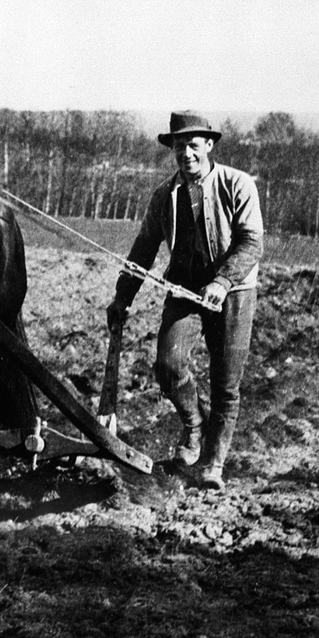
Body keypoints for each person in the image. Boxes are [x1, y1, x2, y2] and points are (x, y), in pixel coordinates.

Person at [106, 111, 263, 490]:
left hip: (234, 294)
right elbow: (143, 248)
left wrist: (223, 282)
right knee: (168, 365)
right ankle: (195, 426)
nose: (186, 153)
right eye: (179, 146)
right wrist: (122, 295)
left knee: (226, 382)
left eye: (193, 145)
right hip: (184, 293)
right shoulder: (165, 195)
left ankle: (213, 461)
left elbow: (252, 242)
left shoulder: (237, 184)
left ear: (209, 145)